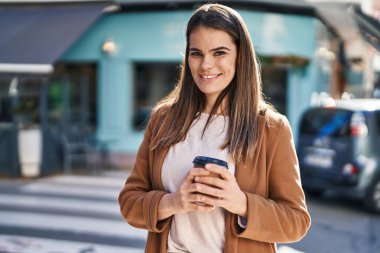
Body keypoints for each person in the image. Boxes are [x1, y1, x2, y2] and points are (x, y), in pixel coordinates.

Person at [118, 3, 311, 253]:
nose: (205, 65)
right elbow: (129, 202)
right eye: (196, 53)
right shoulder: (163, 119)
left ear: (240, 56)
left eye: (219, 52)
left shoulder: (270, 128)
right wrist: (174, 202)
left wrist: (241, 203)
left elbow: (296, 222)